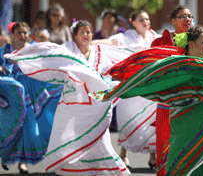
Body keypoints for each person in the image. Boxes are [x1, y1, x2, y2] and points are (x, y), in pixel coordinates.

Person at [90, 25, 203, 175]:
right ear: (191, 43)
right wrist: (125, 84)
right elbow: (152, 74)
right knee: (184, 162)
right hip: (185, 123)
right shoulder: (179, 65)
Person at [5, 20, 132, 175]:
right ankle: (75, 166)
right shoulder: (68, 49)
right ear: (75, 35)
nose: (86, 35)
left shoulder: (99, 52)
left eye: (88, 32)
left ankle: (101, 166)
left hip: (95, 102)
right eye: (82, 32)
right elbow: (50, 54)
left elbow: (108, 70)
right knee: (72, 133)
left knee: (100, 135)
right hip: (74, 100)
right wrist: (23, 56)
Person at [93, 10, 161, 169]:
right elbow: (112, 44)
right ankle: (123, 155)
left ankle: (153, 157)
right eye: (141, 19)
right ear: (133, 22)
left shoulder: (154, 37)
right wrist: (92, 43)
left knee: (151, 120)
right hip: (131, 85)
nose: (145, 22)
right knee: (128, 118)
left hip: (149, 85)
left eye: (147, 19)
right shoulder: (126, 37)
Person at [0, 22, 63, 174]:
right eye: (19, 33)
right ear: (13, 35)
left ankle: (32, 161)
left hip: (35, 89)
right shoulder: (5, 50)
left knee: (37, 125)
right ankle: (13, 158)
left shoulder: (34, 47)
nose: (22, 36)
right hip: (13, 94)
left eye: (25, 32)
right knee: (16, 126)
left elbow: (48, 59)